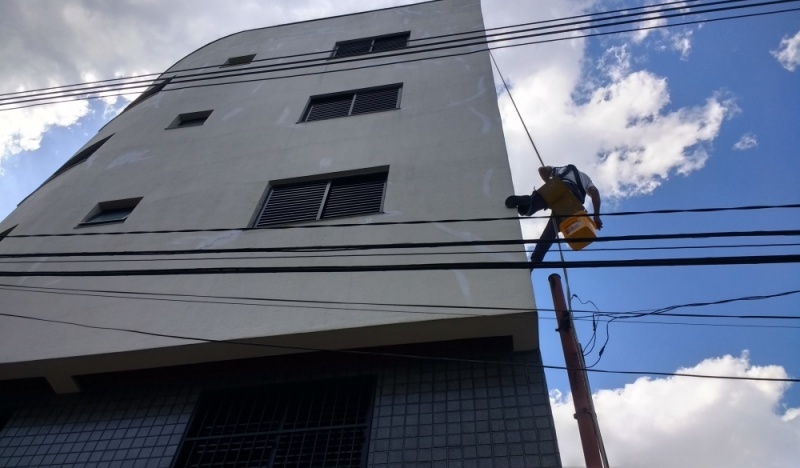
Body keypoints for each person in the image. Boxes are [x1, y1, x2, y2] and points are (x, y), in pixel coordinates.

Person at [505, 164, 603, 266]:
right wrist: (596, 216)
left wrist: (550, 184)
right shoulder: (586, 178)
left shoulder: (562, 169)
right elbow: (595, 192)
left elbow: (542, 169)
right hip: (573, 201)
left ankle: (527, 203)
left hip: (559, 186)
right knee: (550, 233)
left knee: (531, 206)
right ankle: (535, 260)